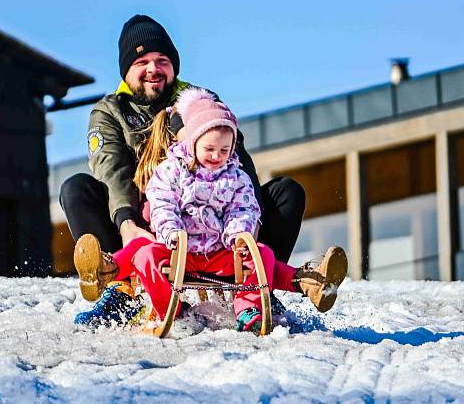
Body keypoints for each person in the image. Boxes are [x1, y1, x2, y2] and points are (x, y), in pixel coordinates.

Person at [60, 14, 306, 324]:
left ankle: (257, 285)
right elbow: (110, 169)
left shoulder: (202, 102)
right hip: (146, 223)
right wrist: (127, 222)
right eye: (142, 62)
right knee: (76, 188)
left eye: (162, 60)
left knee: (287, 192)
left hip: (217, 225)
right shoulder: (111, 111)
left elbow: (237, 161)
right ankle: (119, 289)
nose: (153, 69)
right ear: (126, 70)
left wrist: (248, 221)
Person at [73, 88, 347, 332]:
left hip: (219, 252)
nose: (217, 156)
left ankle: (256, 304)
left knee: (261, 254)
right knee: (144, 255)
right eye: (210, 148)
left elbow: (244, 207)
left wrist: (239, 235)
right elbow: (161, 200)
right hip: (176, 248)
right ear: (191, 142)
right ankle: (142, 292)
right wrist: (170, 230)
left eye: (224, 149)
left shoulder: (235, 176)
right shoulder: (172, 170)